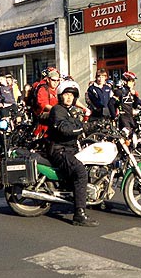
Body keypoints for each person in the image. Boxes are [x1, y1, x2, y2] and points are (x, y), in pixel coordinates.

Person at [47, 80, 98, 227]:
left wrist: (95, 125)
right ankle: (79, 214)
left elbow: (79, 125)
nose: (69, 97)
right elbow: (64, 128)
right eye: (66, 94)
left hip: (69, 149)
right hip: (59, 150)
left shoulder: (70, 111)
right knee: (80, 172)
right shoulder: (57, 110)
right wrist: (82, 129)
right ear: (60, 96)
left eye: (71, 95)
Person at [111, 71, 141, 139]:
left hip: (130, 116)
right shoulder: (120, 91)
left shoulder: (131, 92)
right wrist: (114, 116)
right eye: (131, 81)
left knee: (134, 135)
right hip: (123, 117)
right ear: (125, 82)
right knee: (125, 136)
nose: (133, 83)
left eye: (133, 81)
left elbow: (136, 104)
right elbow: (111, 103)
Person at [33, 69, 62, 137]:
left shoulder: (59, 90)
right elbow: (43, 104)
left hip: (58, 114)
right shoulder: (43, 89)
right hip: (44, 115)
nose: (56, 82)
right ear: (48, 80)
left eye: (58, 80)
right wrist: (57, 110)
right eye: (53, 80)